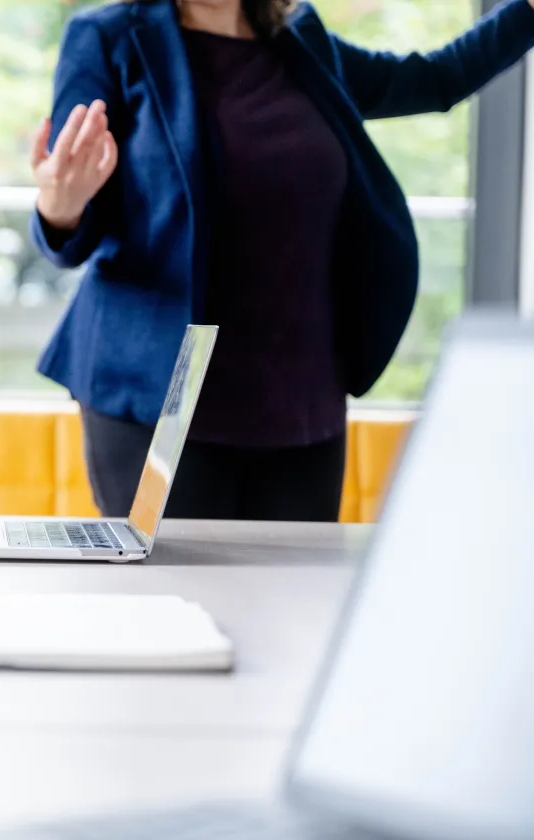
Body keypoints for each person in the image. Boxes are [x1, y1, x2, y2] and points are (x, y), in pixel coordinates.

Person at [29, 0, 534, 522]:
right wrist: (59, 207)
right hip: (169, 392)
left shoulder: (300, 41)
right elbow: (70, 200)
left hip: (303, 395)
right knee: (171, 595)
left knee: (296, 597)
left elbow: (434, 80)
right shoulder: (111, 35)